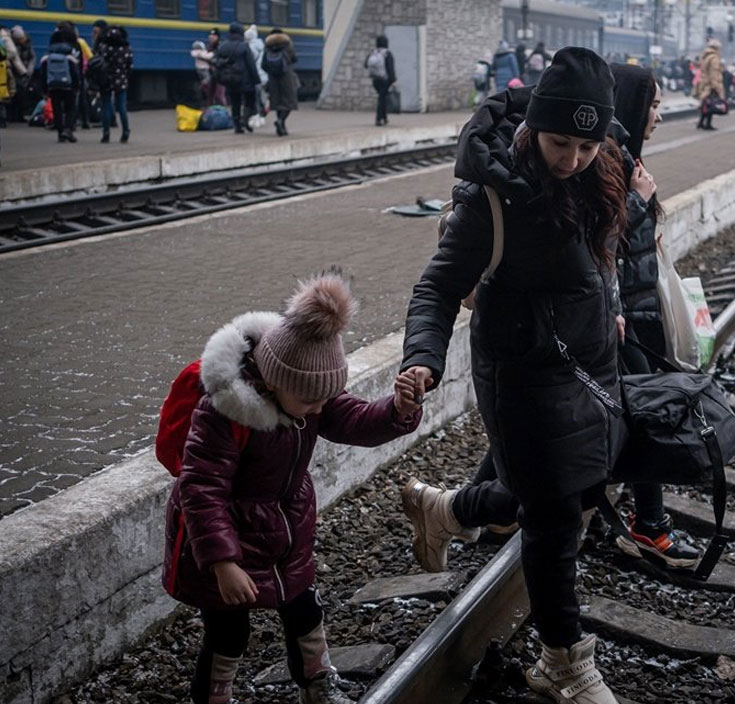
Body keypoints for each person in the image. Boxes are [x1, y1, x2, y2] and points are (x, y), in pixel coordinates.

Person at [400, 47, 629, 704]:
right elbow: (438, 287)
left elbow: (598, 260)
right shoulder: (494, 194)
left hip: (588, 366)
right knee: (554, 513)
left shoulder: (599, 172)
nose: (573, 158)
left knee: (574, 489)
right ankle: (563, 660)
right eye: (561, 141)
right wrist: (424, 357)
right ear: (535, 128)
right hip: (520, 375)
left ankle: (445, 510)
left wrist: (607, 309)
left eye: (588, 144)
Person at [162, 271, 424, 704]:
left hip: (284, 531)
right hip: (226, 534)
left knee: (305, 610)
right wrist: (224, 563)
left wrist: (396, 410)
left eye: (325, 399)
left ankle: (318, 685)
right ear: (272, 380)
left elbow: (354, 418)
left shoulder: (308, 390)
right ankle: (214, 697)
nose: (319, 410)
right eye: (310, 402)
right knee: (228, 631)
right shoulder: (224, 412)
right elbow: (201, 488)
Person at [606, 63, 703, 570]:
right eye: (655, 105)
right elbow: (607, 241)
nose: (660, 116)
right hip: (620, 315)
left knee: (628, 414)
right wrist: (641, 205)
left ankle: (473, 505)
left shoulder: (625, 157)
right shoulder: (610, 162)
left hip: (632, 311)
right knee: (643, 417)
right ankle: (649, 526)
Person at [34, 25, 81, 142]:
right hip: (68, 86)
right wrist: (77, 86)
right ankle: (68, 130)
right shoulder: (70, 56)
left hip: (53, 86)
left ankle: (60, 133)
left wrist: (44, 89)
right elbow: (75, 73)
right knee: (70, 108)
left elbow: (43, 74)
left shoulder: (47, 57)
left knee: (57, 109)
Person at [213, 22, 260, 134]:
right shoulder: (244, 46)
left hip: (229, 79)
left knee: (235, 102)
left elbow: (216, 62)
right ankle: (245, 119)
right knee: (249, 101)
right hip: (245, 80)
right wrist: (256, 80)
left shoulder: (222, 46)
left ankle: (237, 126)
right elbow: (251, 65)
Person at [95, 24, 131, 143]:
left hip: (105, 79)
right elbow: (129, 65)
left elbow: (98, 61)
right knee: (121, 107)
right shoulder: (126, 48)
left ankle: (106, 133)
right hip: (121, 80)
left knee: (106, 105)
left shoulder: (104, 47)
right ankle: (125, 131)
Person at [263, 28, 297, 136]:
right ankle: (281, 121)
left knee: (278, 103)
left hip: (273, 79)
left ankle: (281, 127)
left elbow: (263, 65)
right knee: (288, 103)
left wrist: (271, 71)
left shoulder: (268, 47)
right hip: (286, 78)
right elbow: (295, 59)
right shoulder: (287, 45)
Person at [694, 38, 724, 130]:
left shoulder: (706, 56)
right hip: (710, 84)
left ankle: (701, 122)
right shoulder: (714, 58)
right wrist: (716, 86)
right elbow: (714, 73)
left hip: (704, 82)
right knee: (711, 104)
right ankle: (708, 124)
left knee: (705, 104)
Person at [366, 35, 396, 126]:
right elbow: (390, 68)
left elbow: (365, 65)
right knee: (382, 99)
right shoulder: (387, 53)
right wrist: (393, 80)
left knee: (382, 98)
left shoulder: (373, 53)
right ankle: (378, 119)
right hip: (384, 80)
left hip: (375, 80)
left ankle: (385, 118)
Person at [244, 25, 268, 122]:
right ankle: (262, 112)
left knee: (254, 97)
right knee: (259, 95)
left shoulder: (251, 47)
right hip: (262, 75)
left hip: (254, 75)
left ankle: (258, 115)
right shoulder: (261, 45)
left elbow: (250, 62)